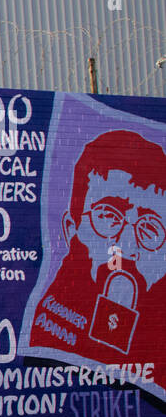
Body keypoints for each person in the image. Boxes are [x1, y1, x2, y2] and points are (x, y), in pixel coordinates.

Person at [28, 129, 166, 364]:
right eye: (109, 217)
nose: (127, 246)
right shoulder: (51, 330)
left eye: (150, 229)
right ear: (71, 229)